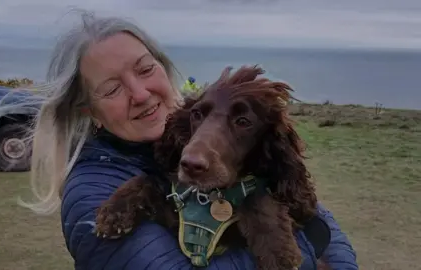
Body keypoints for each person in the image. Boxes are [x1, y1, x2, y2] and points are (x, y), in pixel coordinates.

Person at [18, 12, 358, 270]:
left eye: (146, 69)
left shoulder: (189, 143)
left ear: (164, 69)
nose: (140, 94)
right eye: (112, 89)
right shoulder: (90, 192)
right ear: (89, 112)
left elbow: (320, 223)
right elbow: (319, 231)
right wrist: (312, 241)